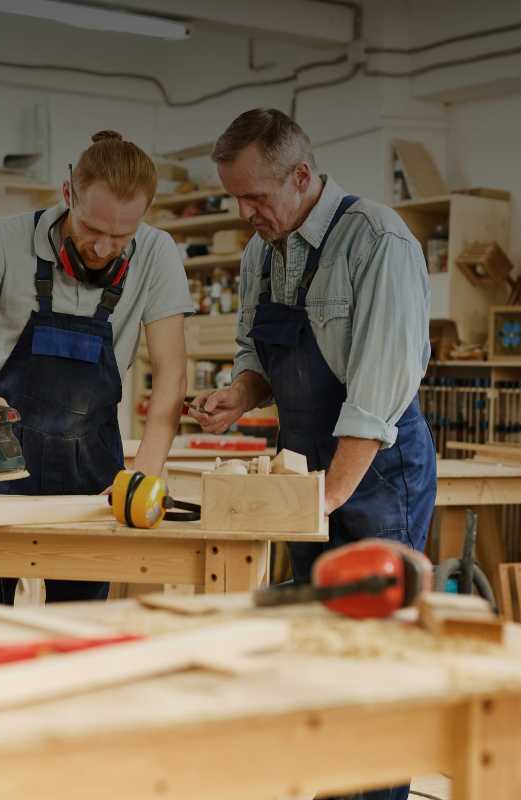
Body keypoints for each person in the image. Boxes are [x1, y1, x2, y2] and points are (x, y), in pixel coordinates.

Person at [191, 108, 435, 800]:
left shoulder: (378, 240)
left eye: (256, 197)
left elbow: (376, 394)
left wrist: (327, 498)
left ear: (301, 176)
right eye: (234, 198)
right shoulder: (259, 253)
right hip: (303, 465)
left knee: (375, 654)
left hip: (377, 470)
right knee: (314, 646)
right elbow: (257, 355)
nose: (245, 213)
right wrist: (238, 394)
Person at [0, 130, 193, 607]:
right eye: (92, 230)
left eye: (121, 236)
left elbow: (171, 373)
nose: (103, 248)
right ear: (68, 195)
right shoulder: (6, 240)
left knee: (78, 627)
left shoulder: (157, 253)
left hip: (93, 476)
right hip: (3, 460)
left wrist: (147, 468)